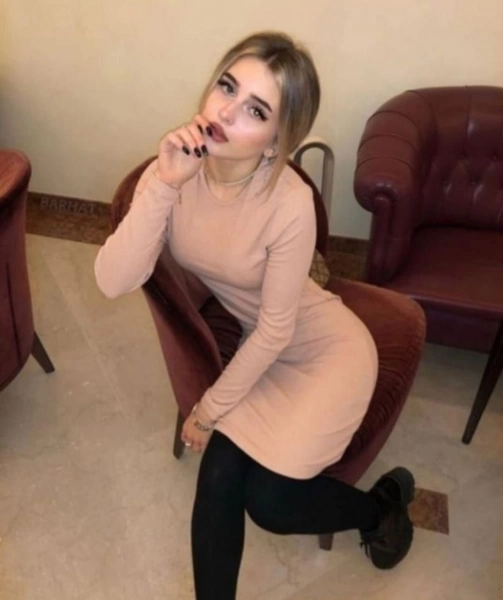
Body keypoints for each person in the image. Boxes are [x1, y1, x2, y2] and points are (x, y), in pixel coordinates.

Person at [95, 31, 415, 600]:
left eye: (256, 110)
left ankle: (379, 510)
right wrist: (165, 186)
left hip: (322, 349)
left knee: (271, 503)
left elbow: (277, 329)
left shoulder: (289, 201)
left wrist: (207, 410)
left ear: (275, 142)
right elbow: (111, 280)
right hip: (261, 344)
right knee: (221, 476)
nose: (226, 112)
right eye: (227, 87)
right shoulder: (175, 168)